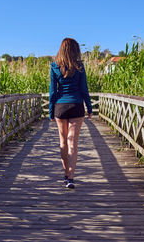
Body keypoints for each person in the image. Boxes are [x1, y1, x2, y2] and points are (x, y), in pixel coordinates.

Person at [49, 38, 92, 189]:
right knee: (73, 141)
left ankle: (66, 174)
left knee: (63, 141)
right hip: (76, 105)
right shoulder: (79, 66)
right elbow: (84, 89)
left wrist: (50, 111)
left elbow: (53, 91)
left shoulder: (54, 66)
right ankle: (71, 178)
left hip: (60, 106)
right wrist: (89, 107)